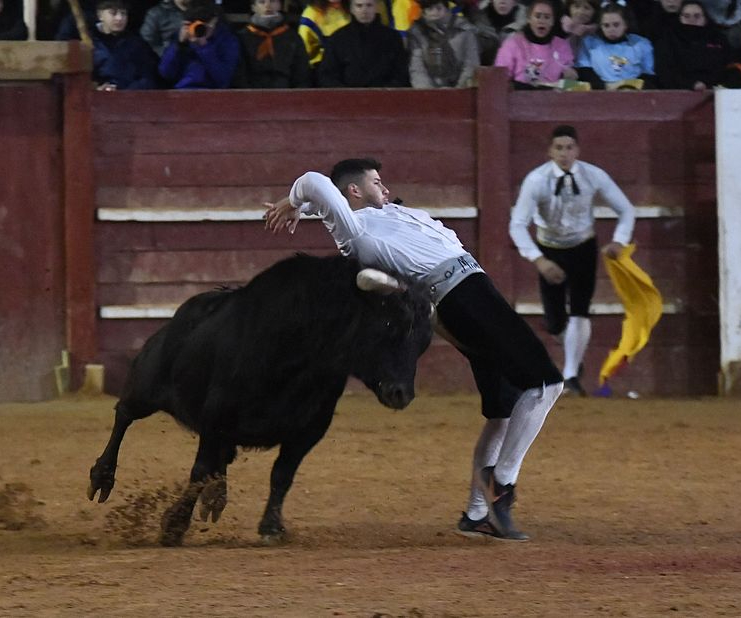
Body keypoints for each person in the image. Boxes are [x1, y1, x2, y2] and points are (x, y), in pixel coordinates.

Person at [265, 158, 564, 540]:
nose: (385, 188)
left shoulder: (383, 214)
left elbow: (319, 194)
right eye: (376, 182)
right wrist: (294, 200)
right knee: (545, 383)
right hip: (461, 294)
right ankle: (501, 484)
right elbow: (313, 181)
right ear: (353, 192)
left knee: (503, 410)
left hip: (467, 291)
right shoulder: (354, 229)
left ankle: (476, 516)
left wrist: (300, 206)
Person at [509, 125, 635, 397]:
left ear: (577, 150)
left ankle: (570, 375)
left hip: (583, 248)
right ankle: (573, 358)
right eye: (559, 148)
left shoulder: (593, 175)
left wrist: (619, 240)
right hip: (550, 249)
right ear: (549, 151)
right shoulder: (536, 180)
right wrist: (540, 261)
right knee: (555, 322)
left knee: (580, 309)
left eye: (569, 148)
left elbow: (625, 210)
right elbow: (517, 224)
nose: (564, 153)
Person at [654, 0, 741, 90]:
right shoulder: (669, 38)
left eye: (697, 16)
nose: (692, 20)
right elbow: (665, 71)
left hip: (721, 90)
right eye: (686, 16)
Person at [316, 0, 409, 87]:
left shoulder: (392, 38)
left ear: (376, 7)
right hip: (347, 100)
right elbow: (327, 75)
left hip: (385, 99)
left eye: (369, 5)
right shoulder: (337, 39)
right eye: (359, 6)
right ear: (352, 9)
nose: (364, 11)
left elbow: (400, 74)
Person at [494, 0, 578, 89]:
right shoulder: (513, 43)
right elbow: (500, 77)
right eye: (537, 16)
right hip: (519, 96)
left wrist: (570, 76)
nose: (542, 21)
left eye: (547, 17)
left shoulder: (562, 46)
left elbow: (569, 76)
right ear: (529, 19)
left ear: (552, 21)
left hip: (553, 97)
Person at [158, 0, 242, 89]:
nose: (200, 28)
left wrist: (204, 47)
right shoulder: (181, 37)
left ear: (214, 21)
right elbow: (165, 73)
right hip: (183, 91)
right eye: (194, 24)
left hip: (213, 93)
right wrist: (179, 45)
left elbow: (223, 80)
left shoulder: (227, 40)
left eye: (204, 23)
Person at [575, 2, 656, 89]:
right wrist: (605, 87)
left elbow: (647, 75)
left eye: (616, 25)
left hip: (633, 92)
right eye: (606, 25)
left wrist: (628, 87)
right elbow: (585, 72)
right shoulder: (589, 43)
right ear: (600, 26)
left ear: (626, 24)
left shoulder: (641, 44)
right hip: (599, 92)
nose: (611, 29)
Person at [235, 0, 312, 88]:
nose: (268, 6)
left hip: (287, 94)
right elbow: (240, 75)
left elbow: (302, 73)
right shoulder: (242, 37)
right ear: (253, 7)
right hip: (252, 95)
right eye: (261, 2)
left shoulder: (292, 37)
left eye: (272, 1)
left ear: (280, 5)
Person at [408, 0, 480, 88]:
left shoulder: (464, 30)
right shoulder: (417, 31)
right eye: (430, 9)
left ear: (446, 8)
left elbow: (471, 64)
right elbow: (417, 67)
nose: (435, 12)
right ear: (424, 11)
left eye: (439, 8)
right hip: (428, 93)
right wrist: (427, 93)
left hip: (460, 91)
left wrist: (458, 92)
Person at [92, 0, 160, 90]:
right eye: (113, 13)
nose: (119, 18)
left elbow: (149, 78)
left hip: (133, 98)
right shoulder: (90, 44)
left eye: (123, 13)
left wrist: (123, 90)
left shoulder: (137, 44)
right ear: (100, 15)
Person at [470, 0, 527, 66]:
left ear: (515, 2)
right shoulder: (475, 18)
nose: (502, 1)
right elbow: (455, 11)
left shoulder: (528, 25)